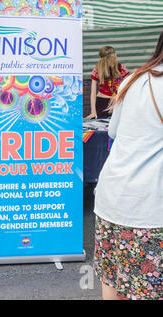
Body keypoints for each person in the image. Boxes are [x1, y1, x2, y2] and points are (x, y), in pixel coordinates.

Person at [93, 32, 163, 300]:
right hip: (151, 209)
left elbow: (113, 131)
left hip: (113, 199)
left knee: (113, 280)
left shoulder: (132, 79)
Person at [85, 46, 130, 120]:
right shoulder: (97, 69)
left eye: (116, 57)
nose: (116, 59)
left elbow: (127, 87)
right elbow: (93, 93)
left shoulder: (121, 68)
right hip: (102, 103)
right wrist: (93, 111)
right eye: (114, 58)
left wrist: (117, 98)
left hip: (117, 102)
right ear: (107, 60)